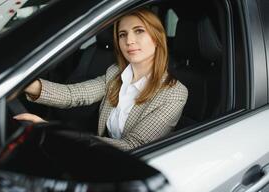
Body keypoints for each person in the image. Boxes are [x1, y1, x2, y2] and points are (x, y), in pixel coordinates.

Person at [14, 8, 188, 151]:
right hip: (101, 152)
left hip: (133, 163)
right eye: (122, 34)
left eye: (139, 31)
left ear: (157, 39)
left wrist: (55, 132)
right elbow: (73, 94)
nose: (129, 41)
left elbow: (132, 146)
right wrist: (24, 84)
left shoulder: (174, 93)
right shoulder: (115, 74)